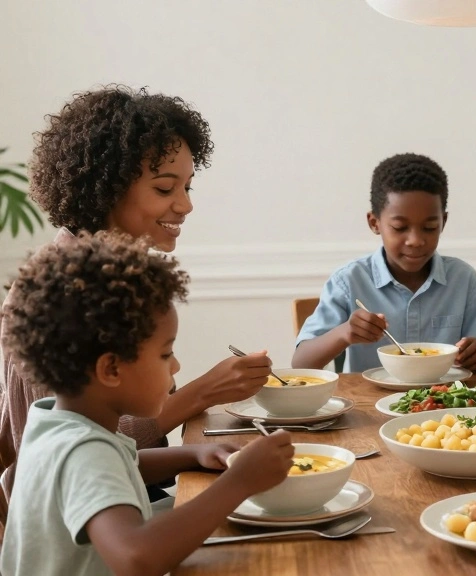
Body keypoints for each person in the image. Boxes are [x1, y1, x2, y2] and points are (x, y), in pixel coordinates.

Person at [0, 86, 274, 522]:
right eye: (166, 188)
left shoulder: (116, 274)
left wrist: (198, 449)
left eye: (187, 185)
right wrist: (204, 391)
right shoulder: (60, 293)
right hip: (79, 521)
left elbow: (113, 449)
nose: (185, 205)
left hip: (129, 496)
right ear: (106, 187)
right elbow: (80, 450)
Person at [0, 231, 294, 575]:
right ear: (111, 368)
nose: (176, 367)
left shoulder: (58, 422)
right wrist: (240, 482)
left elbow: (123, 465)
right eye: (165, 354)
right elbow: (136, 558)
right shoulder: (82, 450)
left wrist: (193, 454)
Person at [293, 152, 476, 373]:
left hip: (442, 404)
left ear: (443, 222)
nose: (415, 241)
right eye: (400, 228)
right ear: (375, 223)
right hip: (368, 404)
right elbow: (301, 363)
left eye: (429, 228)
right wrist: (344, 333)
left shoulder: (463, 278)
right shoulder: (349, 281)